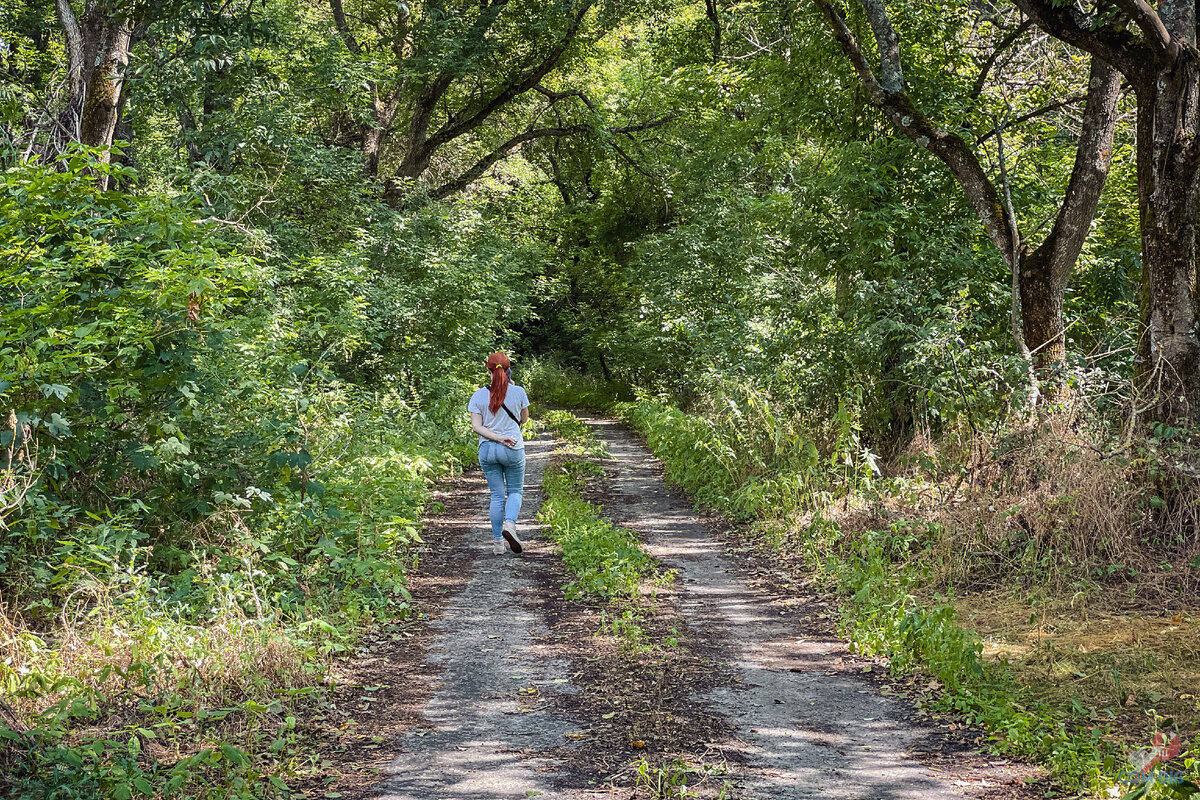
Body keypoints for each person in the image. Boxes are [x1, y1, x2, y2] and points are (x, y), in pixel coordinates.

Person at [468, 352, 530, 555]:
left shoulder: (477, 395)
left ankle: (497, 545)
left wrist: (495, 437)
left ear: (488, 370)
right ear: (508, 369)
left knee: (496, 495)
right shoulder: (519, 392)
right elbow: (524, 420)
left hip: (487, 450)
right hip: (512, 448)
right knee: (515, 491)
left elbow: (476, 427)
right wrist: (504, 436)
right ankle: (510, 526)